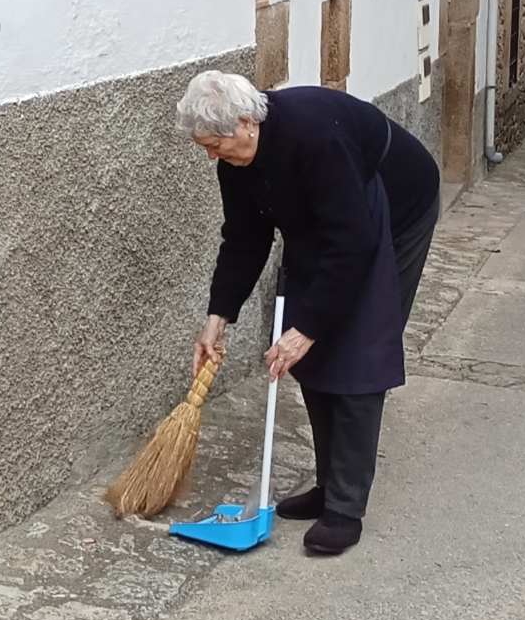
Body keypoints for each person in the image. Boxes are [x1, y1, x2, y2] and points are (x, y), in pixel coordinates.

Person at [176, 70, 441, 556]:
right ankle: (328, 484)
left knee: (358, 348)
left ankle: (345, 507)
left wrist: (308, 330)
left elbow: (353, 243)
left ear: (246, 124)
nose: (212, 157)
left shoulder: (318, 139)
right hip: (331, 221)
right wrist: (218, 316)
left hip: (392, 208)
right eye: (206, 148)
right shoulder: (234, 160)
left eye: (215, 145)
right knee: (308, 351)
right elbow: (244, 238)